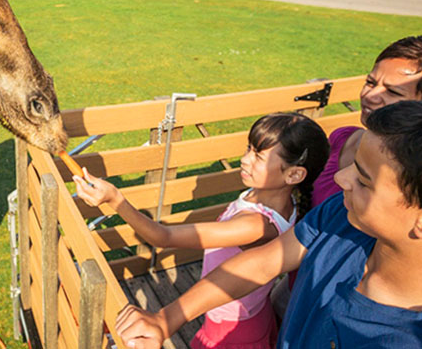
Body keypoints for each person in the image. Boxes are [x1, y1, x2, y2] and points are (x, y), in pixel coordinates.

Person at [115, 101, 422, 349]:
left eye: (363, 179)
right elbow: (261, 263)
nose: (340, 180)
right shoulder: (341, 219)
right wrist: (166, 319)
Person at [74, 113, 329, 349]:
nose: (245, 159)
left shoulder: (254, 225)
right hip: (250, 315)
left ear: (294, 174)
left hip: (231, 330)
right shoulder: (280, 200)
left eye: (258, 157)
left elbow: (162, 236)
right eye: (248, 149)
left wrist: (115, 199)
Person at [301, 35, 422, 324]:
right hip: (302, 293)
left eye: (394, 92)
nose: (370, 96)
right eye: (371, 82)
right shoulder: (342, 139)